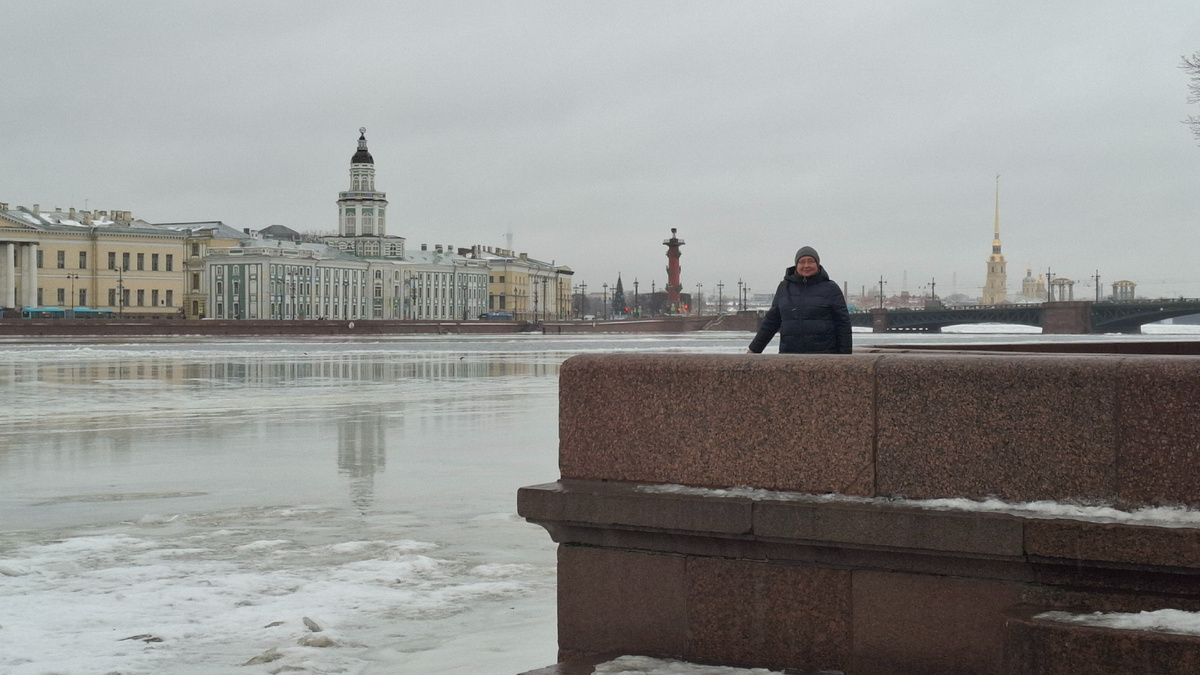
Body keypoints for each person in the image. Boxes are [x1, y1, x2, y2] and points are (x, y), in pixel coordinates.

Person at [747, 246, 852, 354]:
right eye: (802, 262)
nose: (806, 265)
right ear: (796, 265)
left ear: (818, 264)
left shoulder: (831, 288)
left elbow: (843, 325)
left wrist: (846, 357)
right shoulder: (784, 288)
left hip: (823, 356)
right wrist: (754, 350)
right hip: (789, 356)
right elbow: (771, 322)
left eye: (811, 261)